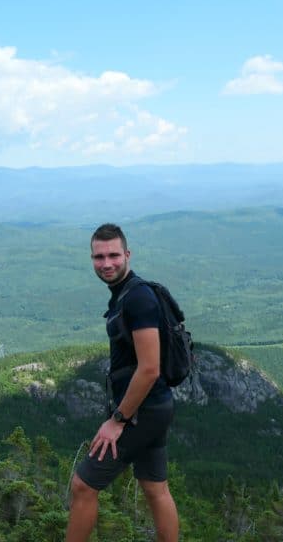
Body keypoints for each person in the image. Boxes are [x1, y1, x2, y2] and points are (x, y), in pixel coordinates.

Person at [66, 223, 179, 541]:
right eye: (99, 257)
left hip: (142, 411)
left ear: (127, 254)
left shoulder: (137, 299)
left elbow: (149, 369)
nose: (106, 263)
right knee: (155, 488)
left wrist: (118, 420)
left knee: (83, 485)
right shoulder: (126, 294)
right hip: (154, 407)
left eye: (114, 255)